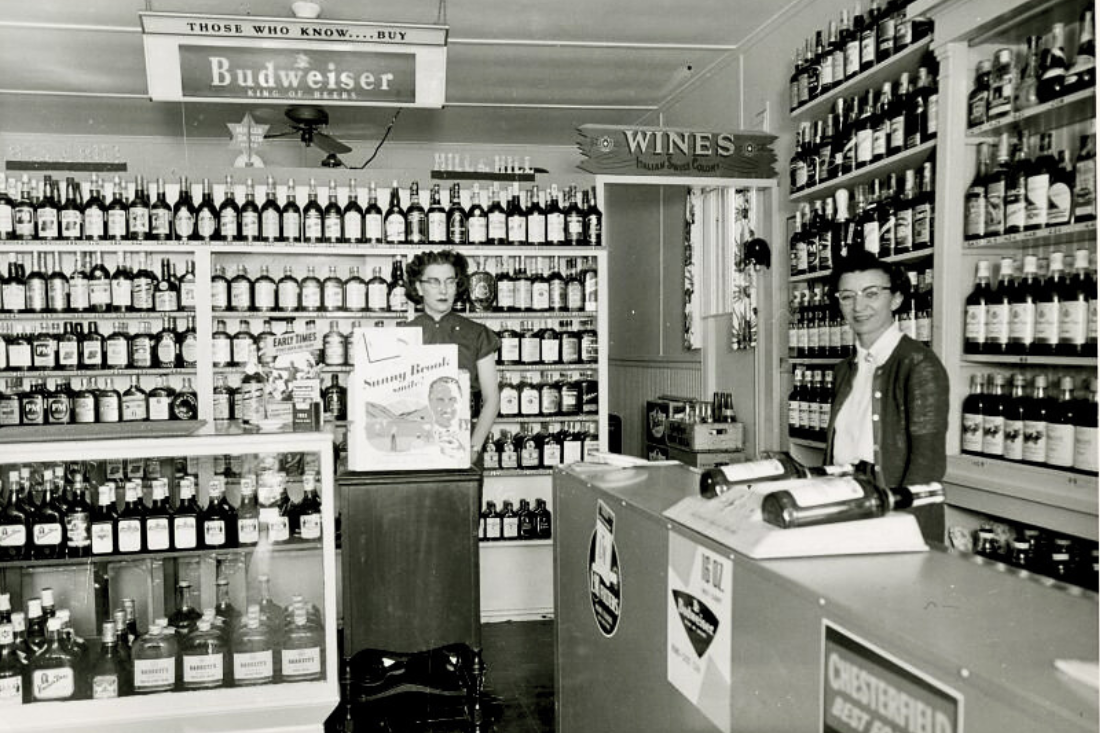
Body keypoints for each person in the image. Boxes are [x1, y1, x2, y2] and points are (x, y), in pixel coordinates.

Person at [824, 251, 949, 492]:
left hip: (890, 514)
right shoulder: (844, 369)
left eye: (871, 294)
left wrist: (897, 523)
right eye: (847, 296)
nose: (859, 307)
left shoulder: (918, 364)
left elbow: (927, 466)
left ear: (896, 299)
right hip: (843, 504)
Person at [404, 250, 501, 463]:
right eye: (434, 282)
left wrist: (474, 447)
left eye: (450, 281)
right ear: (419, 287)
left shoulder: (477, 333)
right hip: (415, 444)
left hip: (463, 440)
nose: (443, 290)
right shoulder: (402, 334)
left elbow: (492, 399)